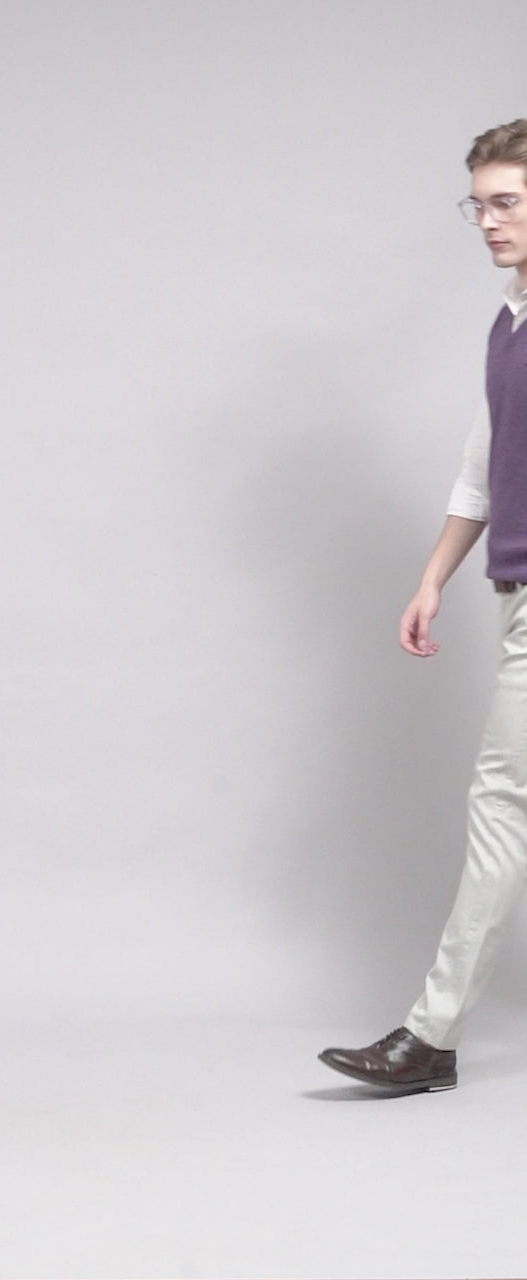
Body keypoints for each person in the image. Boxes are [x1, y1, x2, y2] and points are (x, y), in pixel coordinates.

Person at [319, 119, 527, 1094]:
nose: (487, 221)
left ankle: (430, 1036)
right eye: (477, 205)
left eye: (506, 201)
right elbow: (482, 470)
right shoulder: (507, 324)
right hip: (513, 591)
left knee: (503, 802)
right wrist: (434, 577)